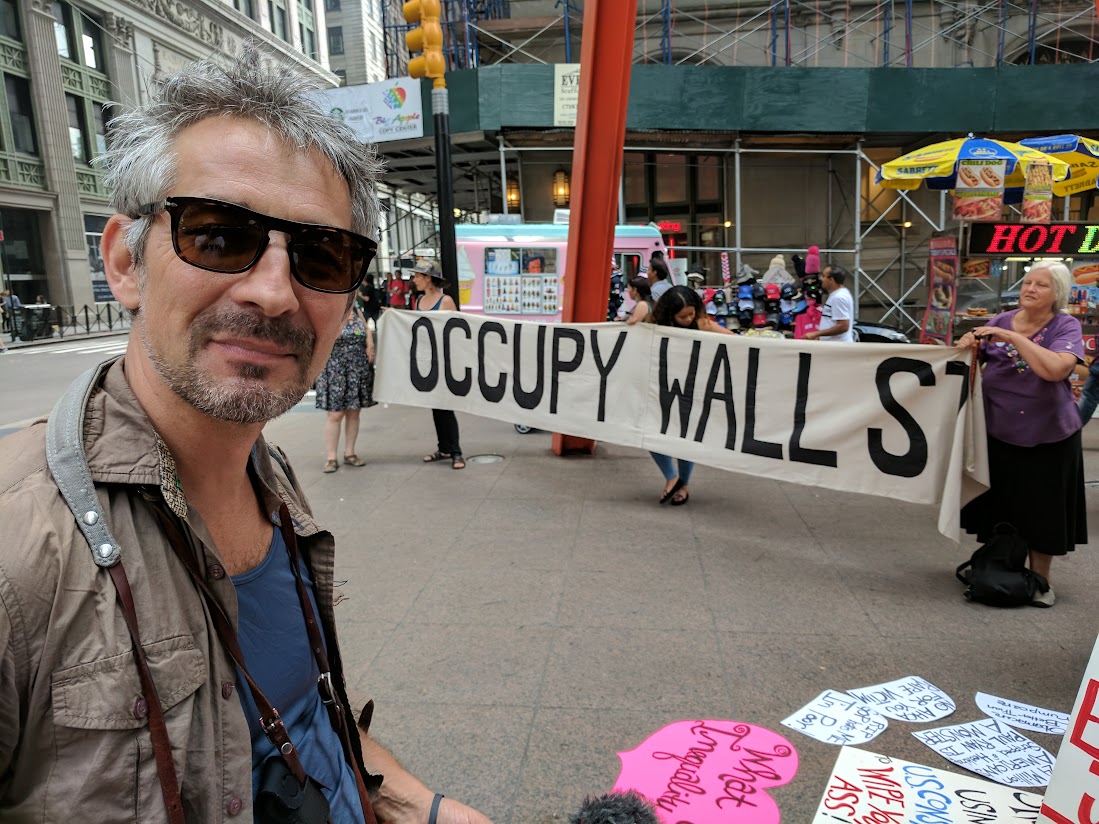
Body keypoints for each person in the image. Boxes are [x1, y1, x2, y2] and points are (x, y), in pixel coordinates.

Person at [0, 46, 491, 824]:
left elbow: (308, 719)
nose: (271, 292)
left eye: (320, 256)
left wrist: (430, 809)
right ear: (126, 262)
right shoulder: (16, 549)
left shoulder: (272, 476)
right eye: (220, 236)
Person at [955, 260, 1086, 608]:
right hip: (998, 432)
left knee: (1043, 512)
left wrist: (1012, 337)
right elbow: (966, 363)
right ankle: (999, 568)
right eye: (1028, 282)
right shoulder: (999, 321)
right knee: (1003, 507)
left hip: (1049, 437)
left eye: (1041, 285)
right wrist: (968, 343)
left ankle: (1041, 581)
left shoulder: (1065, 325)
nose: (1030, 289)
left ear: (1057, 293)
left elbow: (1056, 370)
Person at [647, 286, 733, 506]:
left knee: (687, 436)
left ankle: (681, 485)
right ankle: (673, 479)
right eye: (682, 316)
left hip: (694, 388)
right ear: (669, 315)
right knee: (650, 432)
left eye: (691, 314)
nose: (688, 319)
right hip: (662, 387)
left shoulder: (702, 324)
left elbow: (734, 340)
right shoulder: (655, 326)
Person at [412, 258, 466, 470]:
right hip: (426, 362)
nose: (414, 279)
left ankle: (456, 451)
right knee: (436, 406)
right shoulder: (418, 302)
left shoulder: (445, 302)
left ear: (428, 278)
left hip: (445, 361)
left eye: (418, 276)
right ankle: (444, 448)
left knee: (446, 407)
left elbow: (458, 331)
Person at [316, 305, 376, 472]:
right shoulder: (332, 310)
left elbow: (366, 329)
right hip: (335, 369)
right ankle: (331, 457)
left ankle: (350, 453)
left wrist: (369, 341)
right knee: (335, 414)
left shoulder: (356, 310)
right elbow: (321, 337)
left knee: (354, 412)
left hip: (357, 368)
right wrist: (341, 322)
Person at [804, 263, 854, 342]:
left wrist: (816, 334)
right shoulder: (837, 294)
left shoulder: (839, 297)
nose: (821, 279)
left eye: (823, 276)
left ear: (831, 280)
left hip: (837, 347)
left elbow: (843, 326)